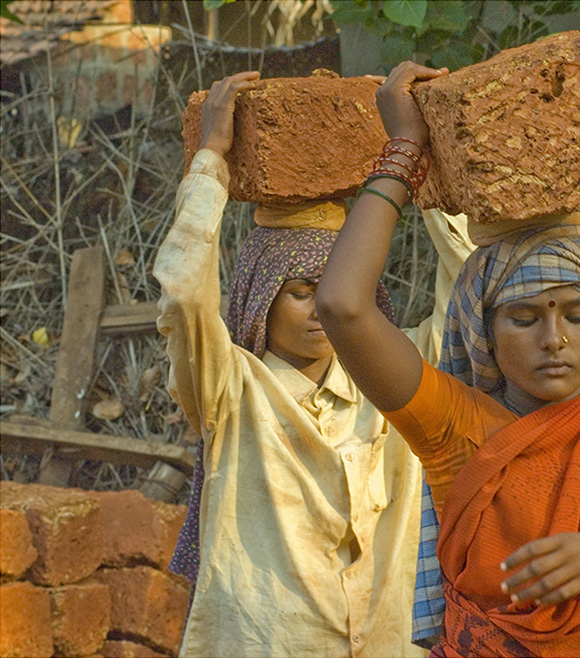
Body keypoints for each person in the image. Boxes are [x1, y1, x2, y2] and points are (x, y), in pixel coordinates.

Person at [315, 62, 580, 657]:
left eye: (576, 314)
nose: (554, 338)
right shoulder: (455, 427)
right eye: (524, 318)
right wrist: (405, 153)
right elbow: (342, 304)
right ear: (484, 331)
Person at [154, 71, 473, 657]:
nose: (325, 307)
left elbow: (466, 292)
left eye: (339, 288)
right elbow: (182, 292)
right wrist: (210, 160)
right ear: (260, 294)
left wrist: (417, 151)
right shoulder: (231, 392)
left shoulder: (397, 386)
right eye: (302, 290)